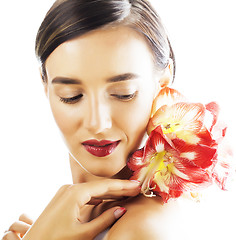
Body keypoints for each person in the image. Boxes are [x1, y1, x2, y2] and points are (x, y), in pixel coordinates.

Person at [2, 0, 177, 239]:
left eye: (123, 93)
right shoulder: (64, 222)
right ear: (46, 87)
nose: (97, 123)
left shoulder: (141, 229)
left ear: (163, 85)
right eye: (71, 97)